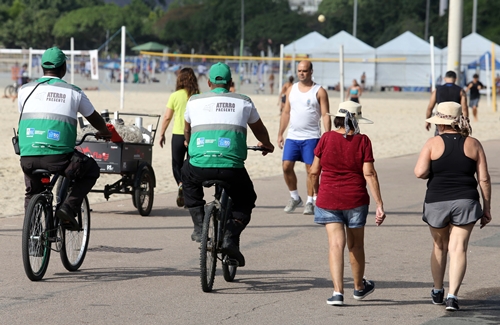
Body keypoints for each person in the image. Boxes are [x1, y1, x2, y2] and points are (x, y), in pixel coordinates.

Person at [182, 62, 274, 266]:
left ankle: (199, 225)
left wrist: (190, 144)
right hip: (231, 168)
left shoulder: (194, 100)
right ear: (231, 83)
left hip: (200, 164)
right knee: (246, 199)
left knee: (186, 176)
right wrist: (266, 145)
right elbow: (259, 130)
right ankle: (230, 237)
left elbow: (187, 130)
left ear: (208, 83)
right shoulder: (244, 101)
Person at [18, 47, 111, 230]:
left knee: (32, 192)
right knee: (91, 169)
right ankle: (68, 207)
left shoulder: (24, 90)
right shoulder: (74, 92)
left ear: (42, 67)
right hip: (59, 158)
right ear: (64, 68)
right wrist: (104, 131)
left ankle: (33, 234)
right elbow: (93, 117)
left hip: (28, 156)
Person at [414, 101, 492, 312]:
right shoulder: (473, 144)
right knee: (458, 249)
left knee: (440, 246)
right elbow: (483, 179)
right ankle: (452, 297)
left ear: (440, 123)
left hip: (437, 201)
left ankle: (438, 291)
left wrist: (435, 169)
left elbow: (419, 172)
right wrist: (487, 208)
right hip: (466, 201)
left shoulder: (433, 143)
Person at [310, 101, 385, 306]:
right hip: (355, 199)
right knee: (356, 245)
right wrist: (379, 203)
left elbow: (314, 171)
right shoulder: (363, 141)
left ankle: (337, 293)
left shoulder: (326, 138)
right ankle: (359, 288)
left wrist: (316, 194)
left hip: (328, 199)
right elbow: (369, 173)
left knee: (335, 245)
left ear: (338, 119)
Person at [277, 60, 331, 215]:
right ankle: (294, 197)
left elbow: (325, 114)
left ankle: (311, 201)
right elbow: (286, 112)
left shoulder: (319, 91)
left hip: (311, 136)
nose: (301, 73)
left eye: (305, 71)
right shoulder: (291, 90)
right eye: (299, 70)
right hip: (293, 136)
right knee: (286, 166)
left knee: (311, 171)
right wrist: (280, 133)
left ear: (311, 71)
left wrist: (327, 135)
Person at [158, 67, 200, 207]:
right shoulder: (197, 95)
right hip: (194, 134)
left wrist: (162, 133)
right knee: (191, 163)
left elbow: (167, 117)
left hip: (177, 134)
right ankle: (189, 194)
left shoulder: (175, 96)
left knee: (177, 163)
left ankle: (180, 184)